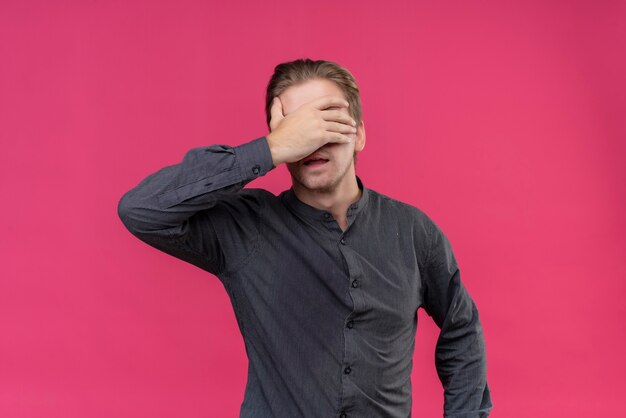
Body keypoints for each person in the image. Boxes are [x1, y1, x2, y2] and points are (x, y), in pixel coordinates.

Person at [117, 58, 492, 417]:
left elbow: (462, 327)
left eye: (328, 122)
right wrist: (271, 148)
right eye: (300, 127)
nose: (314, 141)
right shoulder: (246, 227)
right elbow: (141, 210)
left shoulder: (414, 232)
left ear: (359, 134)